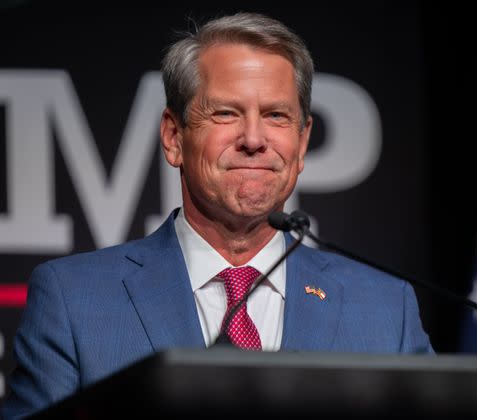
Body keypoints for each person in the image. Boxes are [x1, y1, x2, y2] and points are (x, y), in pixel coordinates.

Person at [2, 12, 433, 419]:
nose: (253, 139)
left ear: (302, 145)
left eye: (276, 116)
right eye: (226, 113)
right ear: (173, 137)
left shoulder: (384, 310)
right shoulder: (73, 301)